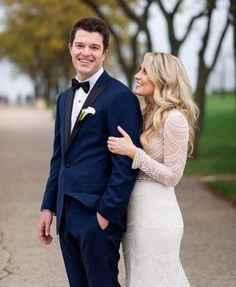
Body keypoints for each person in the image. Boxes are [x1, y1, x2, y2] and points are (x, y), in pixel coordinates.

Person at [38, 17, 143, 287]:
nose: (86, 52)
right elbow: (60, 157)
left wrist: (106, 214)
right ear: (70, 48)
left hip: (97, 215)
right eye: (80, 45)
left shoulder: (120, 97)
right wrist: (48, 206)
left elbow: (125, 163)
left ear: (105, 53)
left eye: (94, 47)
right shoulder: (63, 98)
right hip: (66, 213)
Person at [107, 52, 199, 287]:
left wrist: (133, 152)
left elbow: (173, 176)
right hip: (134, 214)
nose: (137, 75)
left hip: (158, 215)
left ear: (163, 77)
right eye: (139, 69)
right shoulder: (143, 113)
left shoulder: (174, 118)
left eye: (145, 71)